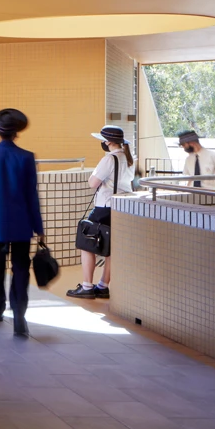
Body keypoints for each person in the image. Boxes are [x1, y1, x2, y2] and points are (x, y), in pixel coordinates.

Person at [0, 108, 44, 337]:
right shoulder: (26, 157)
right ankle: (19, 316)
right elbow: (31, 195)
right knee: (21, 269)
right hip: (22, 222)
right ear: (16, 133)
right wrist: (38, 226)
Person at [67, 125, 134, 300]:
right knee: (110, 247)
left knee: (86, 242)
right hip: (121, 208)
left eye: (104, 140)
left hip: (104, 207)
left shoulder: (109, 160)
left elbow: (93, 183)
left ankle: (87, 286)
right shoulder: (128, 159)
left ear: (109, 142)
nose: (103, 143)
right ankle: (103, 286)